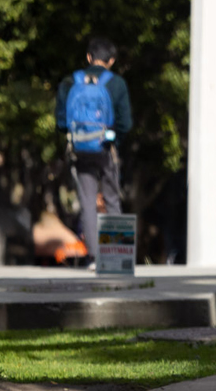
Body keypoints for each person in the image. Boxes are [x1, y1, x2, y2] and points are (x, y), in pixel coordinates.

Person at [55, 36, 132, 268]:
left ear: (88, 57)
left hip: (80, 149)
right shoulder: (116, 84)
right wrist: (112, 139)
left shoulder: (70, 81)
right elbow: (125, 123)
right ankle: (116, 257)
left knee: (87, 201)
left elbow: (61, 122)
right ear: (112, 60)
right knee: (111, 199)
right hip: (107, 149)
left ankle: (93, 257)